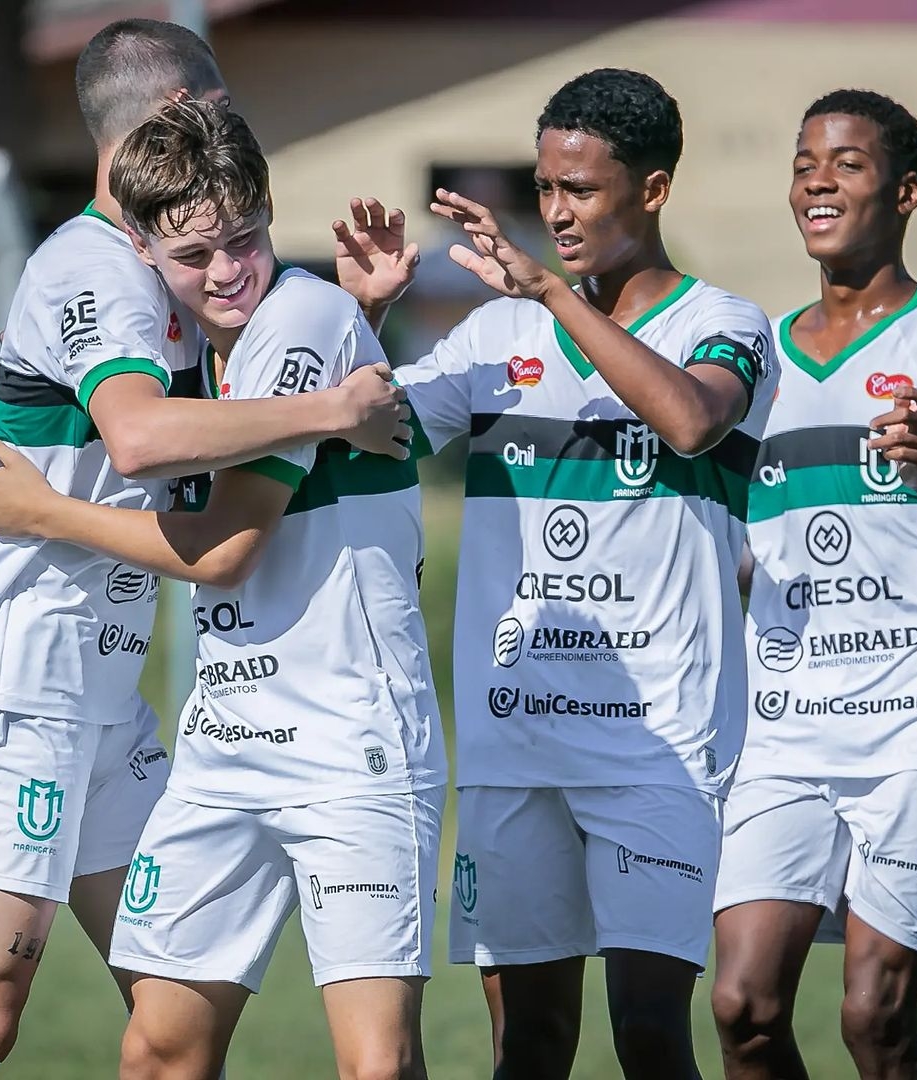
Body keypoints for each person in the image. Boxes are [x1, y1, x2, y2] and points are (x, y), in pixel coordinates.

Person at [0, 21, 408, 1080]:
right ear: (164, 119)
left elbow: (243, 368)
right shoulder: (104, 262)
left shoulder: (180, 260)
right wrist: (327, 409)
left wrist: (355, 329)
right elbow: (138, 436)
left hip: (105, 693)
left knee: (172, 1020)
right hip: (20, 675)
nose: (230, 139)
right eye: (216, 115)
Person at [333, 67, 777, 1079]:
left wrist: (545, 291)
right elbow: (359, 441)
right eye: (544, 188)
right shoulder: (496, 337)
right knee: (527, 1046)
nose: (556, 213)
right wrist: (367, 318)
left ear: (653, 189)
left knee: (653, 1036)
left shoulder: (728, 323)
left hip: (656, 748)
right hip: (513, 744)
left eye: (580, 189)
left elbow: (692, 418)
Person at [710, 89, 917, 1080]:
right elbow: (728, 539)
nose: (818, 177)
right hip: (782, 724)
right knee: (743, 1009)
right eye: (805, 160)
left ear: (906, 191)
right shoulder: (751, 363)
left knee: (876, 1018)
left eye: (848, 162)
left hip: (915, 721)